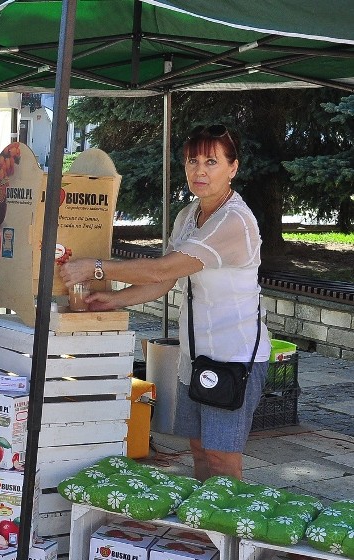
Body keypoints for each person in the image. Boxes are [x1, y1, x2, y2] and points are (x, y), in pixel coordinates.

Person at [60, 124, 271, 480]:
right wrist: (111, 300)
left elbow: (163, 269)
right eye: (192, 161)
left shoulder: (234, 221)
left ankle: (232, 532)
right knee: (200, 450)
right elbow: (167, 282)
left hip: (234, 357)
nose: (199, 171)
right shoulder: (189, 215)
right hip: (196, 355)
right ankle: (206, 532)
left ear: (233, 168)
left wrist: (96, 268)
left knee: (222, 457)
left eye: (211, 161)